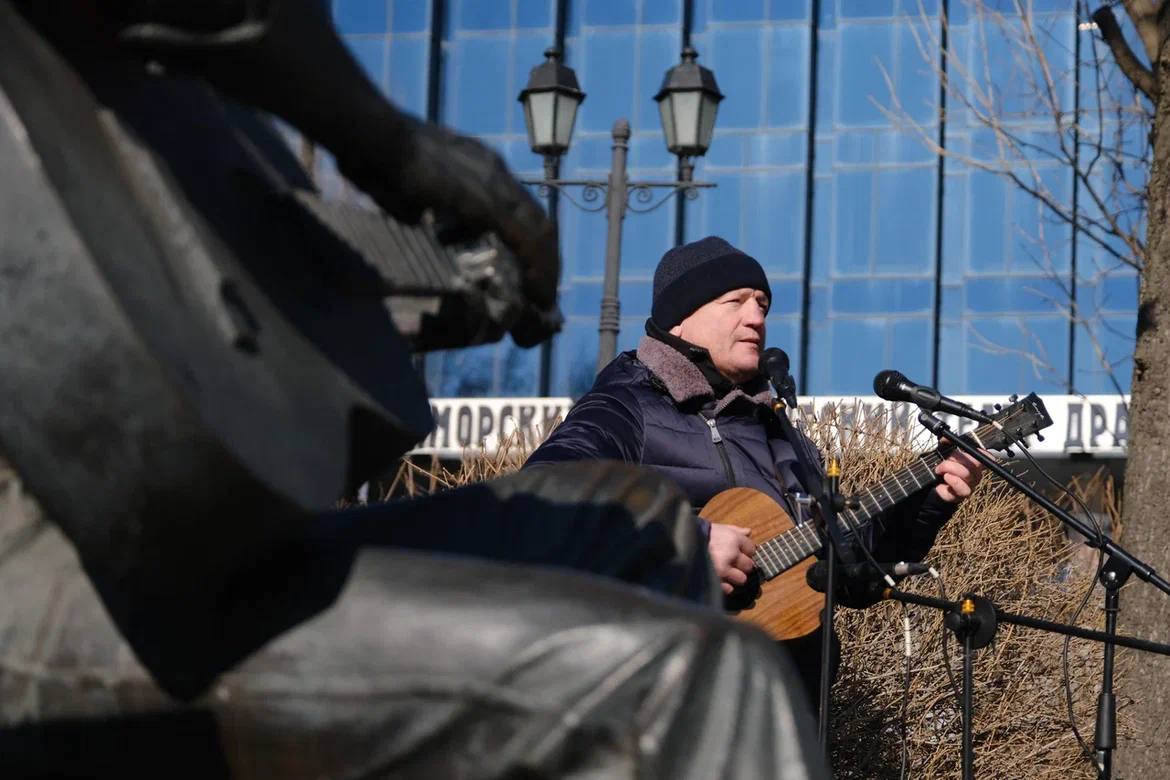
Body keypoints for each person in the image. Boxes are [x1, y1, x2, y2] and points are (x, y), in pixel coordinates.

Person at [525, 235, 985, 695]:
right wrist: (685, 541)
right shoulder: (626, 408)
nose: (757, 317)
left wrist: (929, 498)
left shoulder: (779, 431)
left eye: (763, 304)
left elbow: (849, 575)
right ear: (680, 320)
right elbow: (544, 497)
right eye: (736, 301)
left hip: (782, 710)